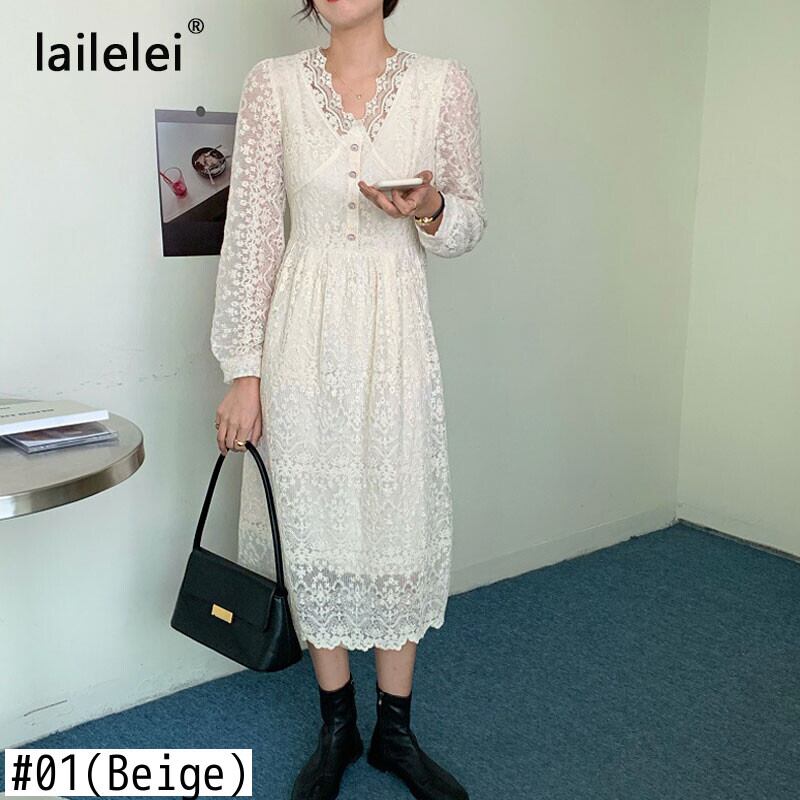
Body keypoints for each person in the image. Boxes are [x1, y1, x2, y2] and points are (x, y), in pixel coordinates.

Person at [210, 1, 487, 797]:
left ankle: (396, 733)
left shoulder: (442, 85)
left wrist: (431, 209)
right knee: (311, 525)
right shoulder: (272, 85)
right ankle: (339, 725)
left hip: (394, 332)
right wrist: (243, 370)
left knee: (400, 522)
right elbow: (252, 233)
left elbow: (469, 220)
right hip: (299, 336)